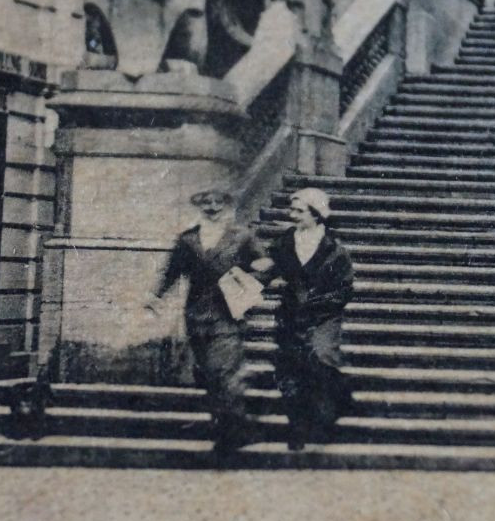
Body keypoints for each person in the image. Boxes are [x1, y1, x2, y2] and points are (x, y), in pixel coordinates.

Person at [148, 189, 268, 458]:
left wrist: (250, 276)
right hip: (195, 316)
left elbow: (265, 263)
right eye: (206, 203)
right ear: (199, 207)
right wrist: (155, 296)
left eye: (219, 202)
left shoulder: (242, 237)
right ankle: (229, 425)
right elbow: (172, 272)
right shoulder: (188, 240)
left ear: (227, 206)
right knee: (208, 375)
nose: (213, 207)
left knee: (223, 371)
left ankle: (232, 432)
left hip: (229, 314)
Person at [254, 187, 355, 451]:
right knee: (291, 370)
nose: (293, 215)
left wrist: (317, 304)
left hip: (324, 318)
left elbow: (344, 290)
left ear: (316, 214)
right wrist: (240, 290)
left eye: (299, 211)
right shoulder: (284, 243)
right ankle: (297, 427)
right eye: (292, 210)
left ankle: (323, 423)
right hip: (291, 316)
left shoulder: (335, 250)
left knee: (320, 359)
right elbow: (264, 274)